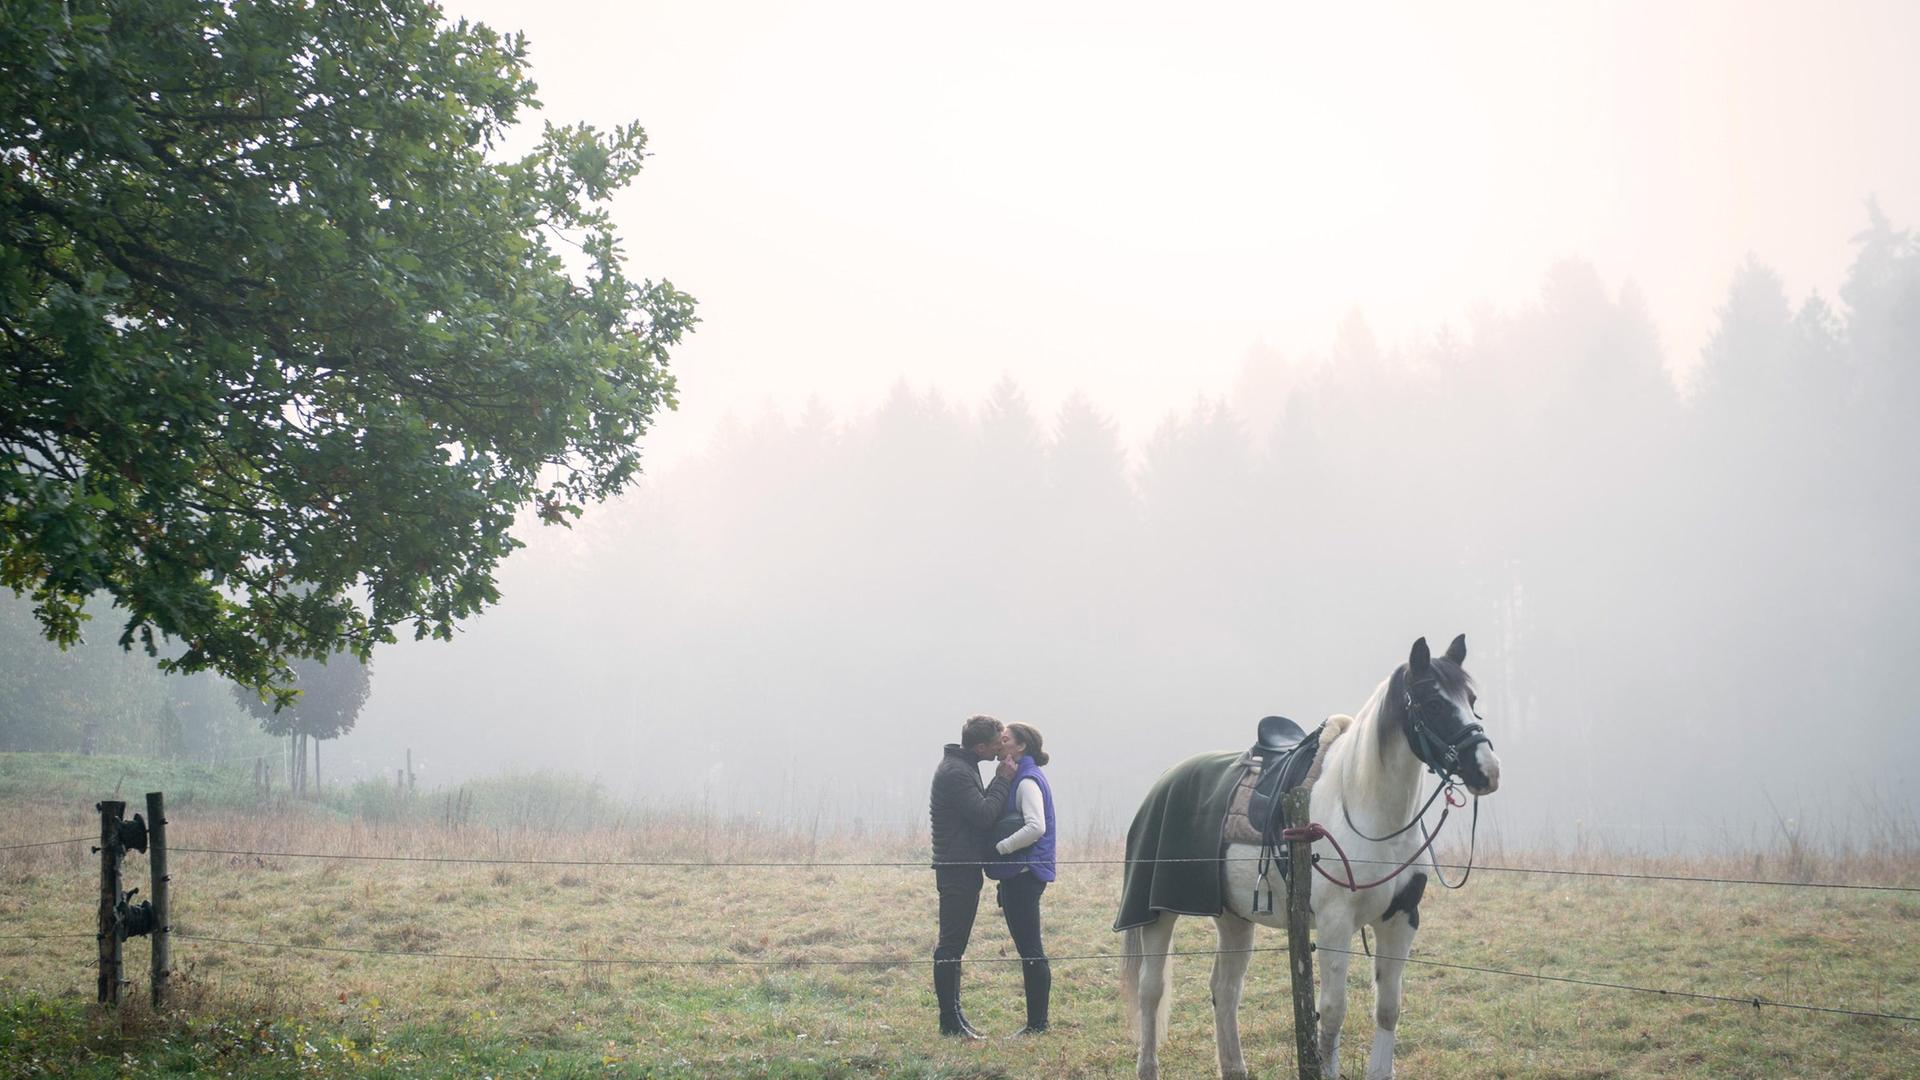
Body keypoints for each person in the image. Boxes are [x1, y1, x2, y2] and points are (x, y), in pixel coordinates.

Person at [928, 714, 1018, 1038]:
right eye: (995, 744)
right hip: (956, 868)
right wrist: (1003, 778)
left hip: (962, 866)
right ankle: (949, 1021)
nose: (1000, 750)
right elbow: (983, 815)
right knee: (950, 946)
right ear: (980, 746)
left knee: (955, 945)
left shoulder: (962, 766)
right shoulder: (956, 773)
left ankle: (954, 1016)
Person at [986, 722, 1055, 1036]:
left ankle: (1037, 1024)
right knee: (1028, 947)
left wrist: (1002, 847)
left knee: (1030, 949)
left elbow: (1036, 827)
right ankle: (1036, 1022)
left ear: (1021, 746)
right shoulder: (1019, 776)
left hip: (1024, 874)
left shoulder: (1027, 781)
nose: (999, 744)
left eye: (1005, 740)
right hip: (1020, 874)